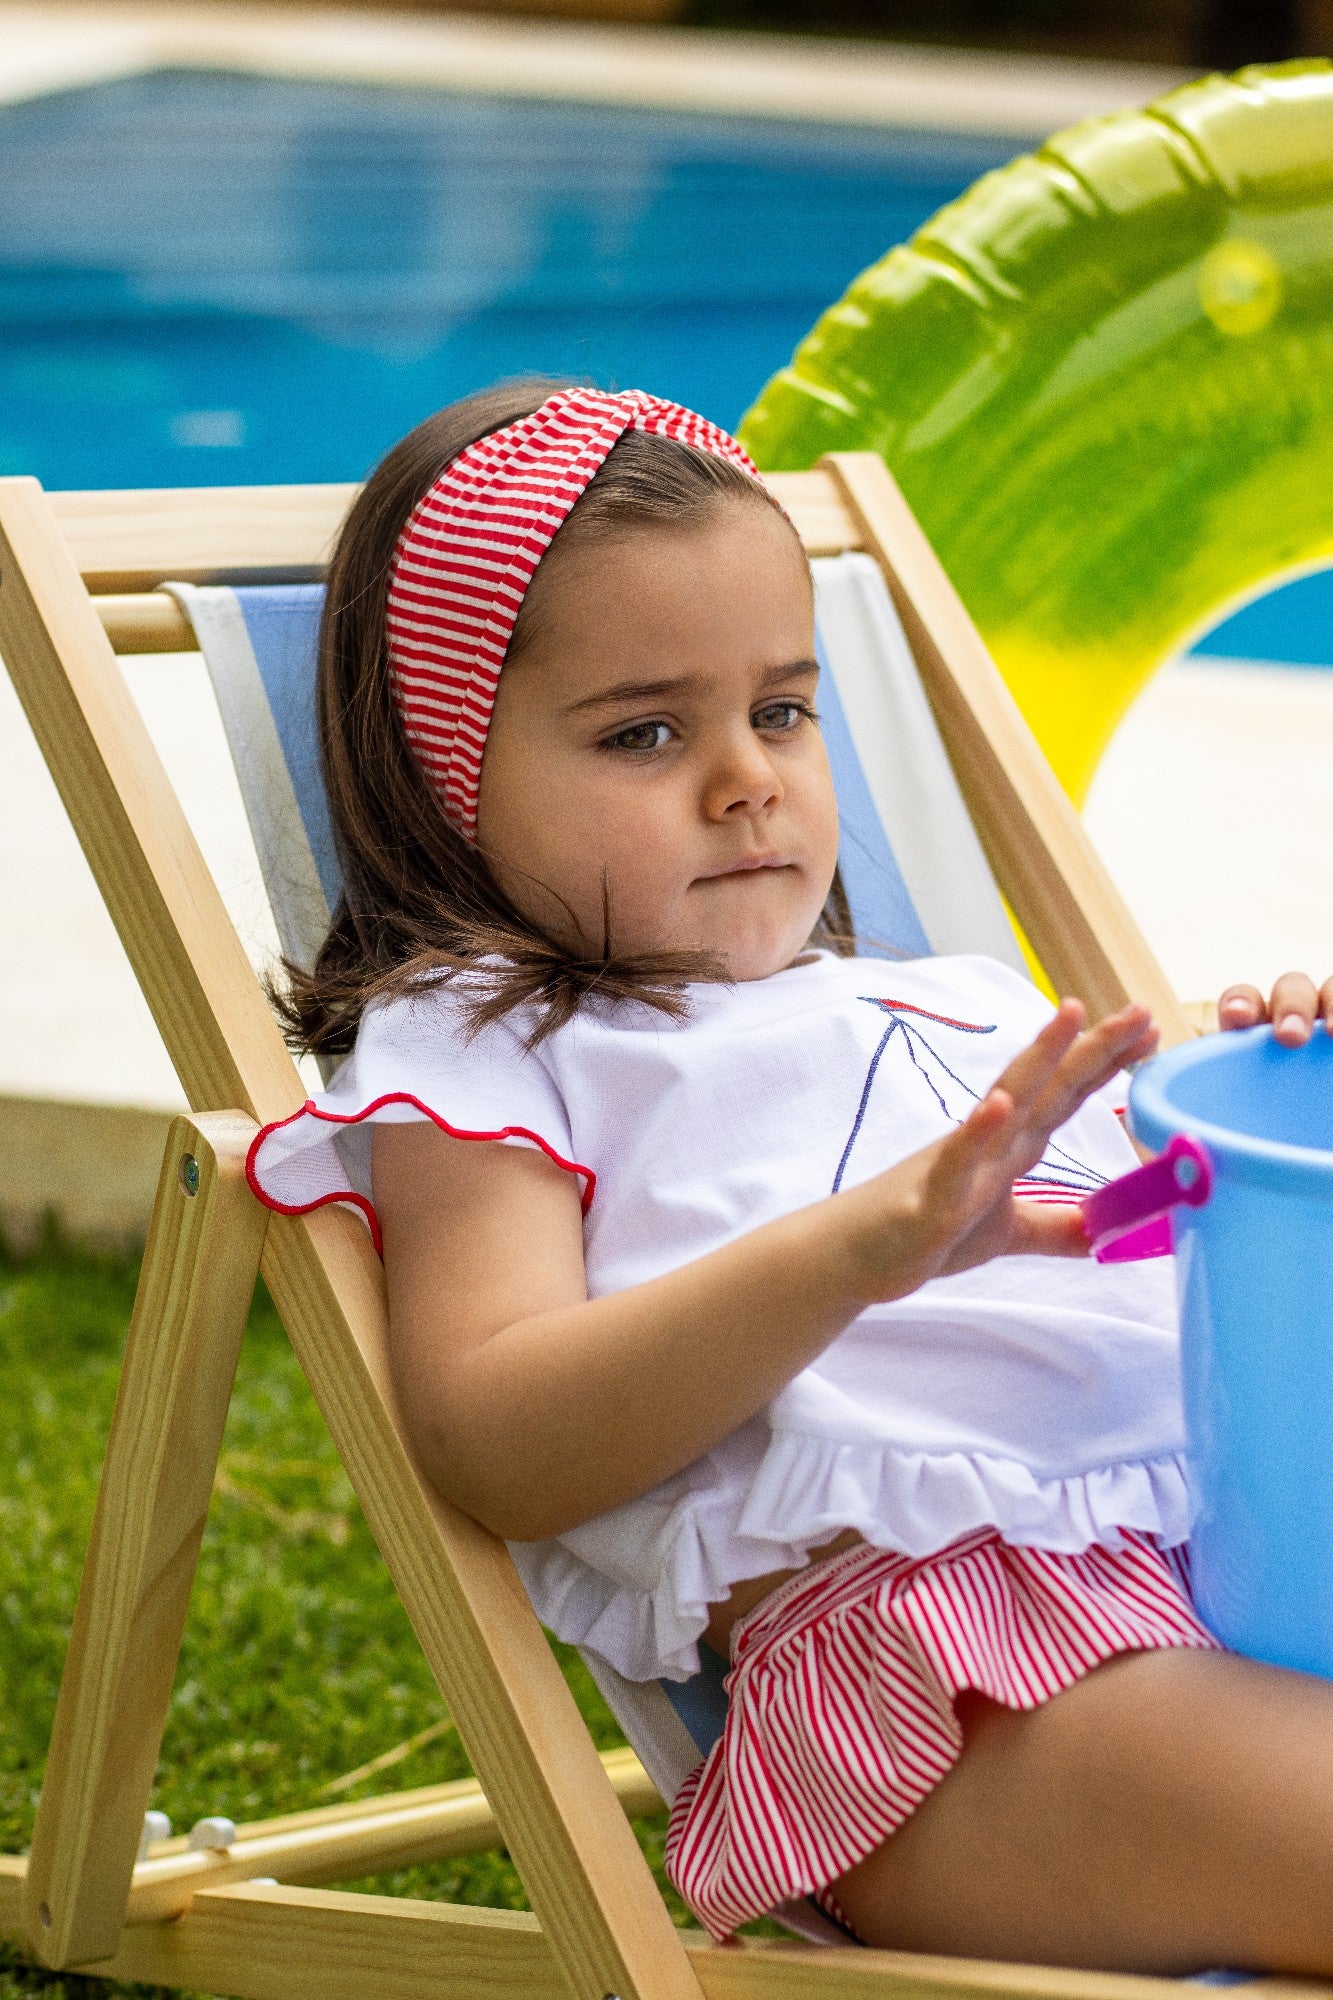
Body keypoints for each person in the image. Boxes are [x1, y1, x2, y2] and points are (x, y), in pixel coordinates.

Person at [247, 379, 1333, 1974]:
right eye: (642, 731)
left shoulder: (947, 993)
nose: (750, 777)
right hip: (965, 1676)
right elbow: (500, 1437)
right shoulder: (483, 1049)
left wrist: (1271, 1114)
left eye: (782, 707)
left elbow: (1145, 1264)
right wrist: (856, 1254)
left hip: (1245, 1552)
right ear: (446, 782)